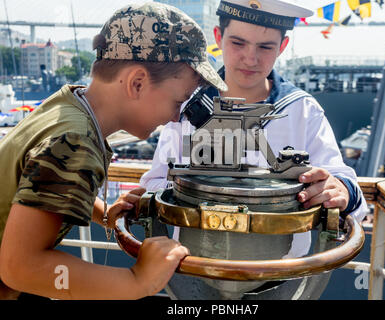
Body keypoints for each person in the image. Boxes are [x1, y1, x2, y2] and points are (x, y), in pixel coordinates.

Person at [140, 0, 369, 299]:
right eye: (238, 42)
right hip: (195, 272)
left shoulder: (302, 111)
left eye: (265, 47)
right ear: (218, 38)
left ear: (283, 46)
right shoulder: (186, 108)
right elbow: (157, 180)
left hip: (280, 277)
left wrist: (340, 189)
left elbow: (351, 192)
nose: (250, 57)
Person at [0, 2, 227, 300]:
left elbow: (42, 181)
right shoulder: (76, 141)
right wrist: (137, 281)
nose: (176, 117)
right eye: (178, 101)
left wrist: (104, 213)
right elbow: (20, 268)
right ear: (136, 83)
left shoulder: (68, 105)